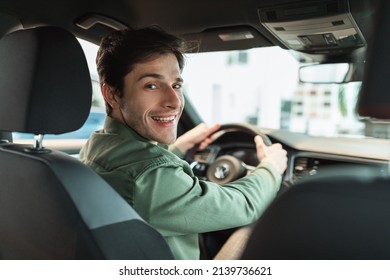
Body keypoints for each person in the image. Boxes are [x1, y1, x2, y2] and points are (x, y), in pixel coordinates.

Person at [79, 26, 288, 260]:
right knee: (253, 228)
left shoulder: (98, 145)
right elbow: (246, 205)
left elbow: (143, 176)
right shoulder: (150, 177)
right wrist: (270, 168)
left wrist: (177, 149)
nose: (174, 101)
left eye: (176, 85)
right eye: (152, 85)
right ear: (112, 94)